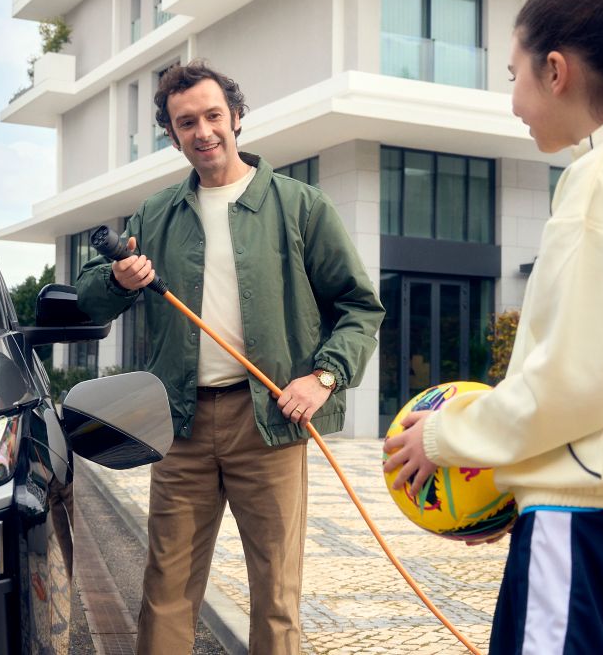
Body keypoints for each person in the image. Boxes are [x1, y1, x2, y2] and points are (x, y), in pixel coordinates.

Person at [383, 0, 603, 653]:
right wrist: (517, 489)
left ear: (556, 70)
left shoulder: (601, 179)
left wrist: (444, 439)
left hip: (586, 532)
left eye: (514, 74)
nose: (513, 102)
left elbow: (569, 386)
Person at [76, 59, 384, 654]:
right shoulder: (154, 214)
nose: (203, 131)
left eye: (213, 115)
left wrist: (324, 377)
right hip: (181, 425)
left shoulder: (300, 206)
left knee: (276, 593)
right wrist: (118, 277)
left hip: (268, 424)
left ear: (236, 117)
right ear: (173, 135)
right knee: (166, 587)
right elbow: (90, 302)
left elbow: (359, 307)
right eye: (186, 122)